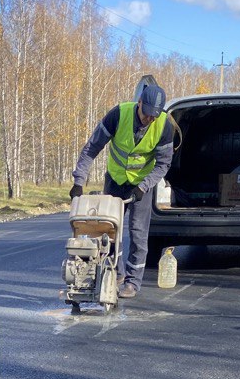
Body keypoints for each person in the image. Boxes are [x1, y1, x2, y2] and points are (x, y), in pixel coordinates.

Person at [70, 81, 174, 298]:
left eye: (154, 116)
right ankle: (114, 272)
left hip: (141, 185)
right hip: (116, 180)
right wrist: (79, 181)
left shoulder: (164, 125)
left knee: (138, 233)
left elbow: (164, 164)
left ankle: (133, 282)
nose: (149, 119)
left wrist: (144, 187)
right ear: (139, 103)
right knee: (109, 229)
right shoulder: (119, 114)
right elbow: (92, 147)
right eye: (147, 114)